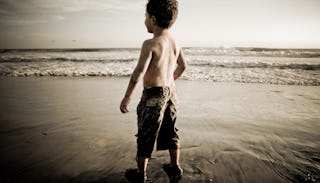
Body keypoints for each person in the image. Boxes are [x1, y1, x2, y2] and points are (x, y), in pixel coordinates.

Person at [120, 0, 186, 182]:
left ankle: (140, 174)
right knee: (171, 130)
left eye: (145, 17)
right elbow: (183, 66)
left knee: (146, 134)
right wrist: (170, 80)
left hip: (153, 96)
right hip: (171, 93)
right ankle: (175, 167)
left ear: (153, 19)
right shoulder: (175, 42)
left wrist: (127, 97)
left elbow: (138, 73)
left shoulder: (150, 44)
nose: (145, 20)